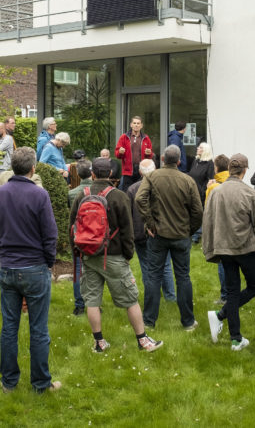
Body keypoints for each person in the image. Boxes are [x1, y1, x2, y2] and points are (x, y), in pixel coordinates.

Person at [0, 147, 61, 393]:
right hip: (33, 267)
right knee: (38, 329)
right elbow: (50, 235)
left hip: (10, 267)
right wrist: (48, 262)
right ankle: (40, 383)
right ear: (33, 168)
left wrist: (3, 255)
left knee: (10, 327)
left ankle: (9, 382)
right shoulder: (39, 195)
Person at [72, 157, 163, 353]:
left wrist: (79, 251)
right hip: (113, 256)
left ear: (93, 174)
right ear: (111, 174)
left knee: (92, 301)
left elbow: (72, 227)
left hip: (88, 255)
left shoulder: (82, 195)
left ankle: (99, 343)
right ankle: (142, 340)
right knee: (130, 299)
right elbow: (127, 231)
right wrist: (128, 255)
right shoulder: (119, 196)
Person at [203, 153, 255, 351]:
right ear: (245, 170)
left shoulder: (216, 191)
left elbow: (208, 220)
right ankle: (232, 333)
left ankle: (232, 333)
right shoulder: (250, 193)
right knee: (254, 286)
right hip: (244, 247)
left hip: (224, 247)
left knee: (232, 291)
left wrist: (210, 245)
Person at [135, 145, 203, 330]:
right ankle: (188, 322)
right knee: (182, 277)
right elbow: (198, 211)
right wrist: (190, 230)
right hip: (179, 234)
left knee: (153, 276)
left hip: (159, 234)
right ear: (179, 161)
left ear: (163, 159)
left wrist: (150, 223)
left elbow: (139, 199)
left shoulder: (152, 177)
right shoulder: (187, 180)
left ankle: (149, 321)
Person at [127, 158, 176, 305]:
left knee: (147, 267)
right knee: (166, 265)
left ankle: (153, 298)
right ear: (155, 169)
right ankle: (170, 297)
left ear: (140, 172)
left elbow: (128, 214)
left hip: (140, 234)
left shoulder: (132, 189)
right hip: (161, 231)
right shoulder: (163, 186)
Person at [68, 160, 93, 316]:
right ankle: (93, 303)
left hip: (78, 234)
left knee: (78, 270)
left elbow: (71, 213)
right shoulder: (98, 191)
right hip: (95, 235)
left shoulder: (72, 193)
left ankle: (79, 305)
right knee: (94, 270)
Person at [206, 154, 231, 304]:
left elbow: (207, 208)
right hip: (235, 228)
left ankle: (225, 295)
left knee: (222, 261)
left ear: (216, 167)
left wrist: (209, 188)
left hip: (220, 228)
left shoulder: (214, 187)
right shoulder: (235, 182)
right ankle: (232, 293)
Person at [115, 116, 154, 191]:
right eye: (134, 123)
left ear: (141, 125)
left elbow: (150, 155)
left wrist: (149, 153)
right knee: (127, 191)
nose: (136, 125)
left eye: (138, 123)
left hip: (141, 170)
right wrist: (120, 152)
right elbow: (117, 154)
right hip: (128, 170)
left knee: (140, 191)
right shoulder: (124, 137)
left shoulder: (146, 138)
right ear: (131, 125)